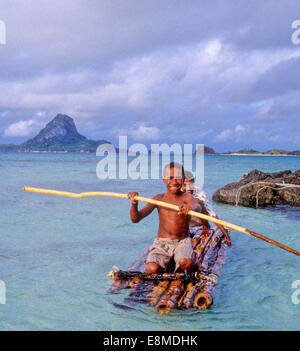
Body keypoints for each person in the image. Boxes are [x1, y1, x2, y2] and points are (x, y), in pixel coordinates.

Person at [128, 162, 204, 274]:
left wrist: (190, 208)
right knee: (151, 269)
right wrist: (134, 204)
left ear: (183, 179)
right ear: (164, 179)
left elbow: (197, 207)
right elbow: (135, 219)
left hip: (182, 242)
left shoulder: (187, 198)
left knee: (185, 264)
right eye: (170, 178)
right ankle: (169, 261)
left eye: (178, 178)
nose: (174, 181)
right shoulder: (158, 199)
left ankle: (185, 260)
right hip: (162, 244)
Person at [182, 171, 232, 246]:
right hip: (185, 227)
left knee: (197, 201)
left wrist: (226, 236)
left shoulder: (199, 193)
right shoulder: (177, 194)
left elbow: (212, 214)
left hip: (199, 226)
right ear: (181, 185)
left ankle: (205, 227)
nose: (188, 188)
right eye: (185, 185)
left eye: (190, 184)